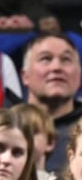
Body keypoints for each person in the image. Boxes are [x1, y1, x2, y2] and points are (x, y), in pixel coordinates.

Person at [18, 33, 81, 170]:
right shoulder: (6, 124)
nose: (56, 67)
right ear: (25, 76)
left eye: (66, 59)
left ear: (80, 75)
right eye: (45, 59)